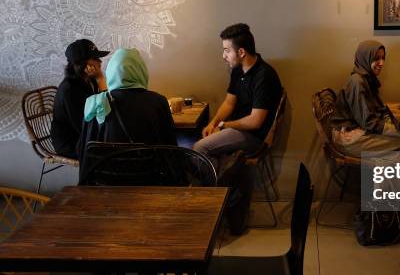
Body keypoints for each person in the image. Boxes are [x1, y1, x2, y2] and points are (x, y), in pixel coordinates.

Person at [193, 23, 282, 169]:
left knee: (199, 149)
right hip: (236, 129)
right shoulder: (237, 70)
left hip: (255, 136)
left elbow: (255, 122)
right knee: (202, 141)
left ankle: (220, 189)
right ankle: (225, 184)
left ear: (241, 52)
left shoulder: (264, 75)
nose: (223, 56)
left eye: (227, 51)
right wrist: (213, 123)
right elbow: (229, 103)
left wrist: (223, 126)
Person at [77, 48, 176, 161]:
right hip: (152, 174)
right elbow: (171, 146)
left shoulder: (95, 103)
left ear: (111, 71)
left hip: (106, 175)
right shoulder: (159, 101)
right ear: (141, 70)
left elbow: (84, 151)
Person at [331, 40, 400, 157]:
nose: (381, 63)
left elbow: (376, 112)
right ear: (365, 58)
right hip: (347, 137)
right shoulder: (357, 82)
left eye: (383, 58)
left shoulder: (368, 78)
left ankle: (387, 174)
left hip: (359, 130)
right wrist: (399, 132)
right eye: (376, 58)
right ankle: (386, 175)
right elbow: (367, 121)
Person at [51, 39, 110, 158]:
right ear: (82, 64)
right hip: (71, 143)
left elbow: (102, 109)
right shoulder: (69, 90)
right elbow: (84, 126)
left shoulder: (88, 80)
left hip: (83, 134)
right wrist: (101, 80)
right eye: (95, 58)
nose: (100, 62)